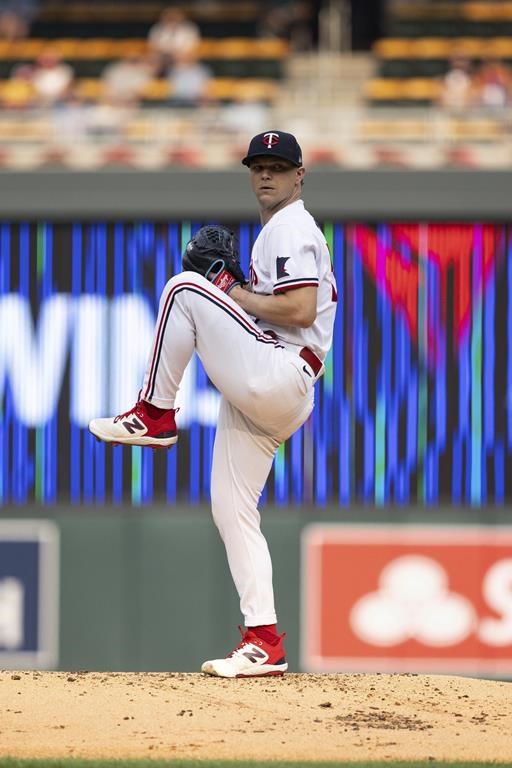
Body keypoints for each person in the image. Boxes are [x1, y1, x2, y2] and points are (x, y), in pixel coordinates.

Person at [88, 130, 337, 678]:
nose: (266, 174)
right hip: (274, 385)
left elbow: (297, 309)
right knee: (231, 509)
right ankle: (264, 641)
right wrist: (237, 290)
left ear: (300, 176)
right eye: (258, 165)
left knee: (183, 288)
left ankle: (155, 412)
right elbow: (273, 309)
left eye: (278, 165)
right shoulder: (276, 231)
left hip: (281, 371)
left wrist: (226, 286)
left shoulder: (293, 227)